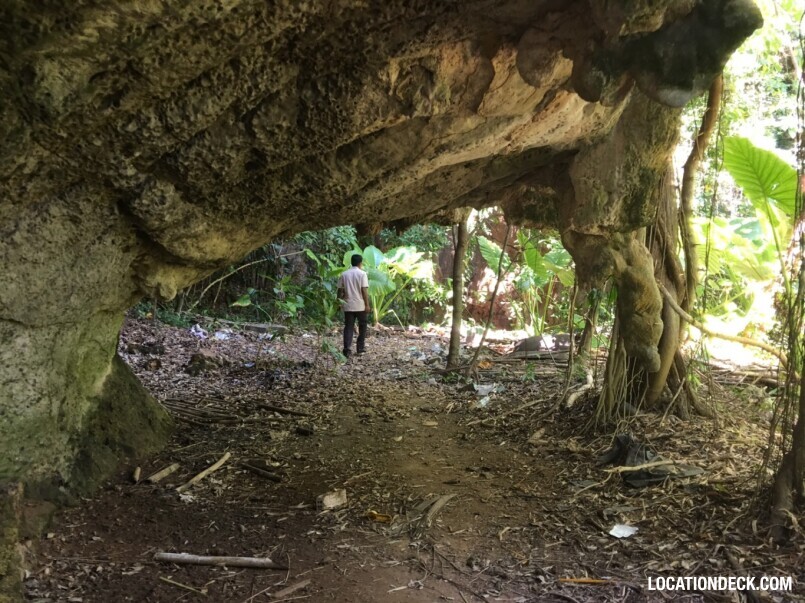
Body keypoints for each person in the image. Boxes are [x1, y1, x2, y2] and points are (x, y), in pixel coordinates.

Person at [337, 253, 370, 357]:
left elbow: (340, 290)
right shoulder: (362, 274)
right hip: (360, 305)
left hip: (348, 305)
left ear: (351, 262)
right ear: (360, 263)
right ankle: (360, 348)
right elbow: (364, 290)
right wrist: (367, 305)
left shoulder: (344, 274)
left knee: (348, 327)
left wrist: (338, 302)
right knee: (362, 326)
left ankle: (347, 350)